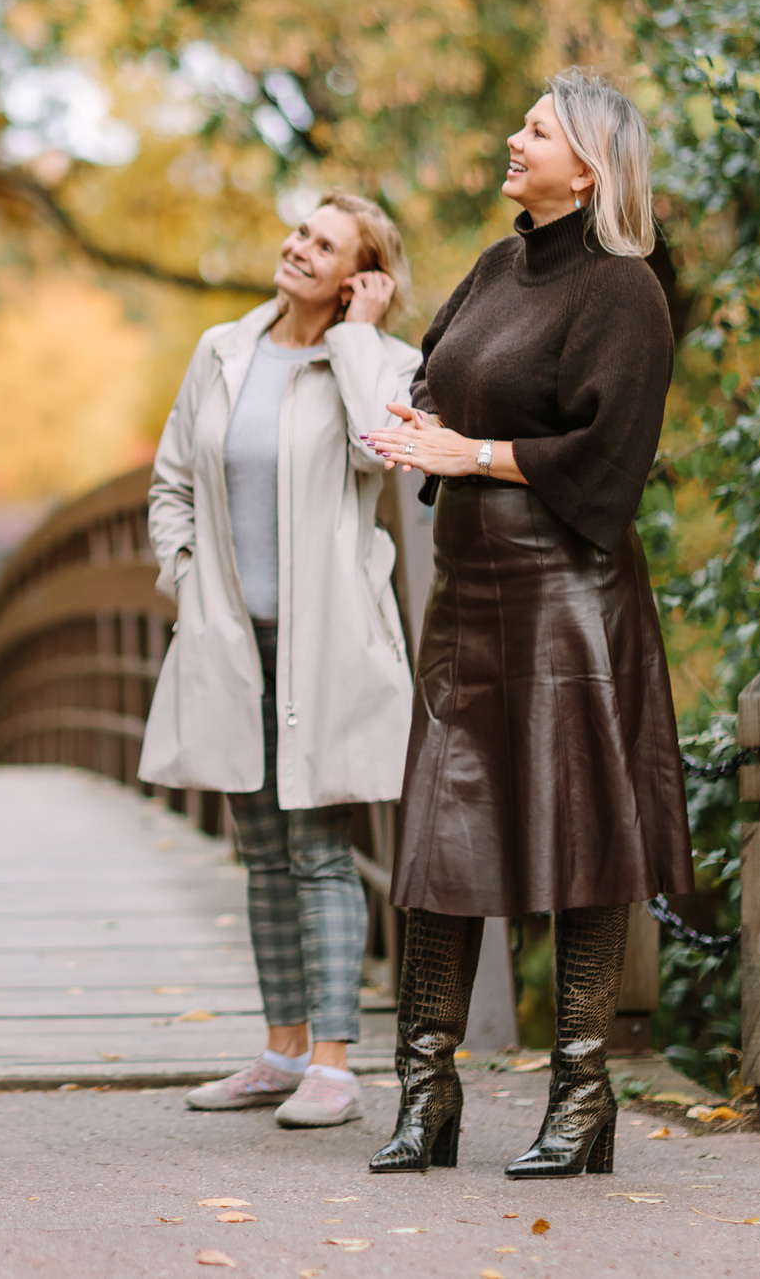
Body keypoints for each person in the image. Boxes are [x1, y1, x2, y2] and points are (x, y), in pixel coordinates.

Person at [359, 67, 692, 1180]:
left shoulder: (624, 290)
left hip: (565, 597)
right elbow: (444, 372)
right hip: (467, 596)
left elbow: (611, 456)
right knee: (439, 843)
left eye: (536, 131)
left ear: (588, 167)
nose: (513, 139)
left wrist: (474, 455)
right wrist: (417, 423)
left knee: (581, 837)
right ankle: (424, 1096)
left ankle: (582, 1099)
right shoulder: (502, 262)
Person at [142, 193, 422, 1132]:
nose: (298, 248)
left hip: (324, 645)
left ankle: (335, 1068)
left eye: (325, 245)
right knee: (262, 852)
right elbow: (172, 480)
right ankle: (281, 1050)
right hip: (233, 640)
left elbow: (375, 445)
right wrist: (186, 578)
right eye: (300, 232)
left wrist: (357, 336)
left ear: (359, 276)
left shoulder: (383, 364)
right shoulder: (223, 350)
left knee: (318, 847)